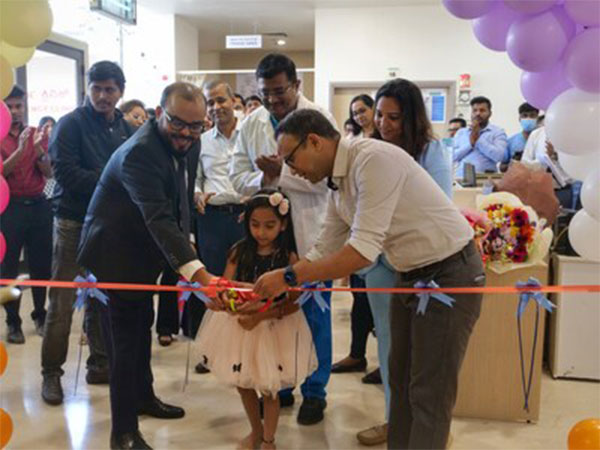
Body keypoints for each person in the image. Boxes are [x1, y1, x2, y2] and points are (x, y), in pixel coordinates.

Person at [254, 108, 485, 450]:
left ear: (314, 142)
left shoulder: (373, 160)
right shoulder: (337, 183)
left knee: (429, 391)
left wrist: (288, 276)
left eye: (291, 159)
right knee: (402, 381)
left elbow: (361, 252)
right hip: (409, 274)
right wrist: (291, 280)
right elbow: (326, 245)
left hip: (450, 273)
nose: (292, 171)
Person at [77, 82, 215, 450]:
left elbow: (180, 200)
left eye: (196, 125)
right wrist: (199, 274)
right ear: (159, 114)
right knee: (123, 343)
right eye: (178, 123)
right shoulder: (140, 152)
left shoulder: (190, 140)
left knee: (143, 328)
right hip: (113, 255)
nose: (186, 133)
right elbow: (156, 215)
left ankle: (144, 398)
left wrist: (187, 245)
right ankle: (122, 432)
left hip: (146, 250)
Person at [230, 53, 335, 425]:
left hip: (310, 232)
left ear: (297, 85)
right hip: (268, 240)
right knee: (275, 316)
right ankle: (282, 385)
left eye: (279, 92)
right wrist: (264, 181)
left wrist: (281, 177)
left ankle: (315, 391)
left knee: (314, 314)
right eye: (265, 94)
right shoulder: (252, 122)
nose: (273, 101)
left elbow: (328, 179)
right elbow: (236, 174)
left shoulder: (319, 120)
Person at [356, 78, 453, 446]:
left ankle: (428, 427)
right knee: (389, 347)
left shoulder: (430, 150)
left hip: (421, 265)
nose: (384, 123)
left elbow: (440, 206)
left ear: (411, 117)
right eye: (379, 114)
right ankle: (394, 421)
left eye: (394, 117)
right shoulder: (370, 150)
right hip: (379, 261)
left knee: (423, 353)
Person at [41, 61, 134, 406]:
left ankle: (99, 363)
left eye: (110, 89)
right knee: (62, 304)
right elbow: (65, 173)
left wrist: (104, 180)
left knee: (101, 299)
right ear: (87, 88)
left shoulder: (125, 127)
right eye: (96, 88)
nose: (102, 95)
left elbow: (132, 172)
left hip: (109, 225)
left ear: (120, 91)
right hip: (72, 223)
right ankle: (51, 373)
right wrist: (107, 182)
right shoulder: (69, 124)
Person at [197, 189, 317, 450]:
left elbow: (293, 302)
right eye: (255, 225)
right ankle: (256, 430)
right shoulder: (238, 252)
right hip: (240, 327)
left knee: (269, 388)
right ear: (246, 222)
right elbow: (226, 287)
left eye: (269, 225)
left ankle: (268, 440)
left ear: (283, 224)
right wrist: (225, 305)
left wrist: (262, 314)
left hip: (274, 329)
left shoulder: (288, 259)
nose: (261, 232)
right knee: (244, 384)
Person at [0, 85, 52, 343]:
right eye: (10, 106)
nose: (16, 111)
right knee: (8, 268)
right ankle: (13, 321)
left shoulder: (35, 133)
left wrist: (39, 149)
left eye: (19, 105)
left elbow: (49, 173)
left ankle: (40, 315)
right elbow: (1, 173)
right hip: (10, 209)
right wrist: (20, 150)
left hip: (39, 205)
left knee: (42, 265)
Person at [453, 96, 508, 177]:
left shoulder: (498, 132)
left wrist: (478, 139)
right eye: (474, 110)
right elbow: (453, 157)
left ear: (490, 113)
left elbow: (499, 157)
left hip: (486, 180)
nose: (478, 113)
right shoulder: (461, 132)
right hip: (461, 179)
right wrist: (470, 144)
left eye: (482, 110)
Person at [501, 102, 539, 168]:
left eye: (532, 115)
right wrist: (513, 163)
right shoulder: (510, 142)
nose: (528, 118)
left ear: (537, 118)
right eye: (525, 115)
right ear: (519, 119)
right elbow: (502, 167)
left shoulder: (543, 140)